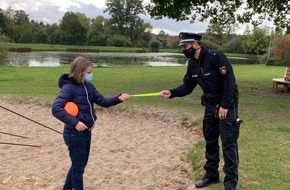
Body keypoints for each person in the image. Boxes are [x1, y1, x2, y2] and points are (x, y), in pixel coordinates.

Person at [160, 32, 241, 190]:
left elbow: (230, 81)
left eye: (186, 45)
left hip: (226, 105)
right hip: (210, 106)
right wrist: (172, 93)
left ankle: (230, 183)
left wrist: (225, 105)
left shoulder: (215, 56)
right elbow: (188, 86)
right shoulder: (192, 65)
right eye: (182, 46)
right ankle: (211, 175)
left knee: (228, 144)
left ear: (196, 43)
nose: (184, 49)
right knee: (210, 141)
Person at [52, 56, 130, 190]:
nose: (90, 75)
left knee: (79, 165)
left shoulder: (88, 85)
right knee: (78, 168)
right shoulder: (69, 88)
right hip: (74, 134)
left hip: (86, 132)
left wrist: (119, 98)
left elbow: (103, 101)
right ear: (80, 72)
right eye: (88, 73)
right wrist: (75, 122)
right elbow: (56, 108)